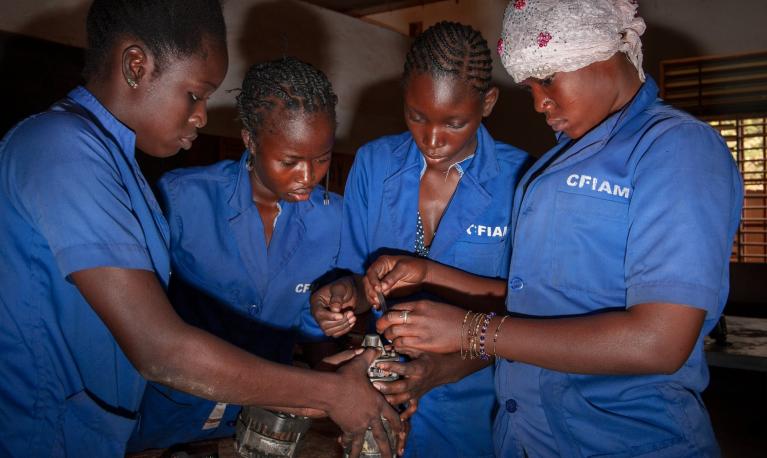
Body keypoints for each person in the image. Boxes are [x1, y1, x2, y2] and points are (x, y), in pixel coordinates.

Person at [0, 1, 398, 456]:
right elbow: (159, 350)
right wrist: (331, 394)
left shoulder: (115, 165)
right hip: (39, 432)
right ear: (136, 66)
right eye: (195, 94)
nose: (203, 117)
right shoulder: (62, 150)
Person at [374, 1, 743, 457]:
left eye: (547, 79)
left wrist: (473, 331)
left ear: (604, 52)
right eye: (529, 86)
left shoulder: (676, 149)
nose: (539, 102)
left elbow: (659, 342)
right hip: (527, 437)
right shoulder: (552, 165)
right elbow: (537, 299)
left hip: (625, 441)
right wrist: (429, 274)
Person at [311, 21, 530, 457]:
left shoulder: (523, 180)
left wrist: (441, 369)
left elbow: (529, 317)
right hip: (379, 398)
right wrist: (340, 297)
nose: (431, 140)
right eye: (416, 116)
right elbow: (357, 279)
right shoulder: (374, 163)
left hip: (477, 407)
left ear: (487, 103)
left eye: (454, 122)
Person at [128, 56, 345, 451]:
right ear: (250, 140)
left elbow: (312, 327)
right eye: (290, 161)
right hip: (167, 416)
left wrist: (328, 317)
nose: (308, 176)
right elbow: (139, 316)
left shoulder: (334, 219)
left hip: (263, 425)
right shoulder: (181, 197)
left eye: (322, 158)